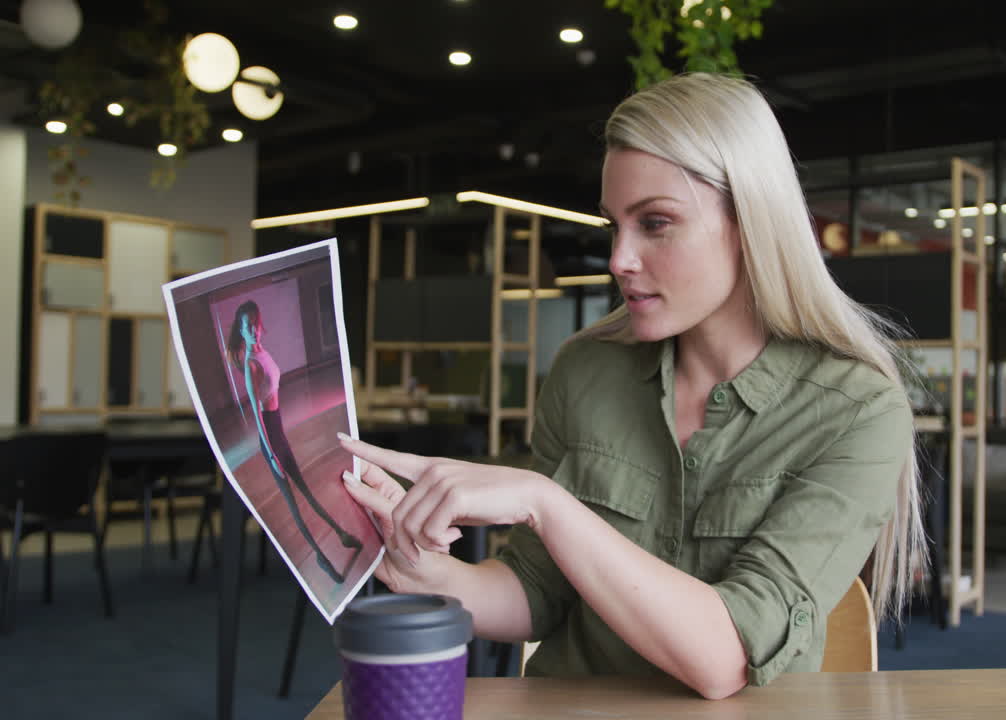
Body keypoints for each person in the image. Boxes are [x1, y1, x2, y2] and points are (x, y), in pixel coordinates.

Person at [338, 72, 926, 699]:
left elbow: (724, 659)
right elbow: (537, 596)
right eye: (614, 224)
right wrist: (426, 571)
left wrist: (545, 501)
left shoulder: (857, 410)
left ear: (749, 222)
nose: (619, 258)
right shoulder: (586, 370)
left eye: (656, 223)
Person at [226, 300, 363, 584]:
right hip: (270, 436)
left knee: (305, 490)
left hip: (277, 428)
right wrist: (273, 456)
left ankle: (341, 534)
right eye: (246, 326)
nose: (252, 330)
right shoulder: (251, 363)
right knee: (293, 503)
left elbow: (272, 397)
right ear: (240, 330)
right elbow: (257, 412)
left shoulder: (264, 353)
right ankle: (321, 558)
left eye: (254, 323)